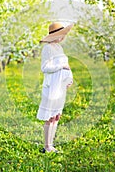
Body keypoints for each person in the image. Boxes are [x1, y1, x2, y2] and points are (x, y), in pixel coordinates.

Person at [37, 22, 74, 153]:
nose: (63, 37)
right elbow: (44, 67)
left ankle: (51, 145)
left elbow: (66, 65)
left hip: (60, 86)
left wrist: (69, 79)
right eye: (60, 35)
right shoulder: (47, 48)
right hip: (51, 86)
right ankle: (47, 146)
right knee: (50, 116)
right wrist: (60, 67)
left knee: (57, 115)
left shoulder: (59, 47)